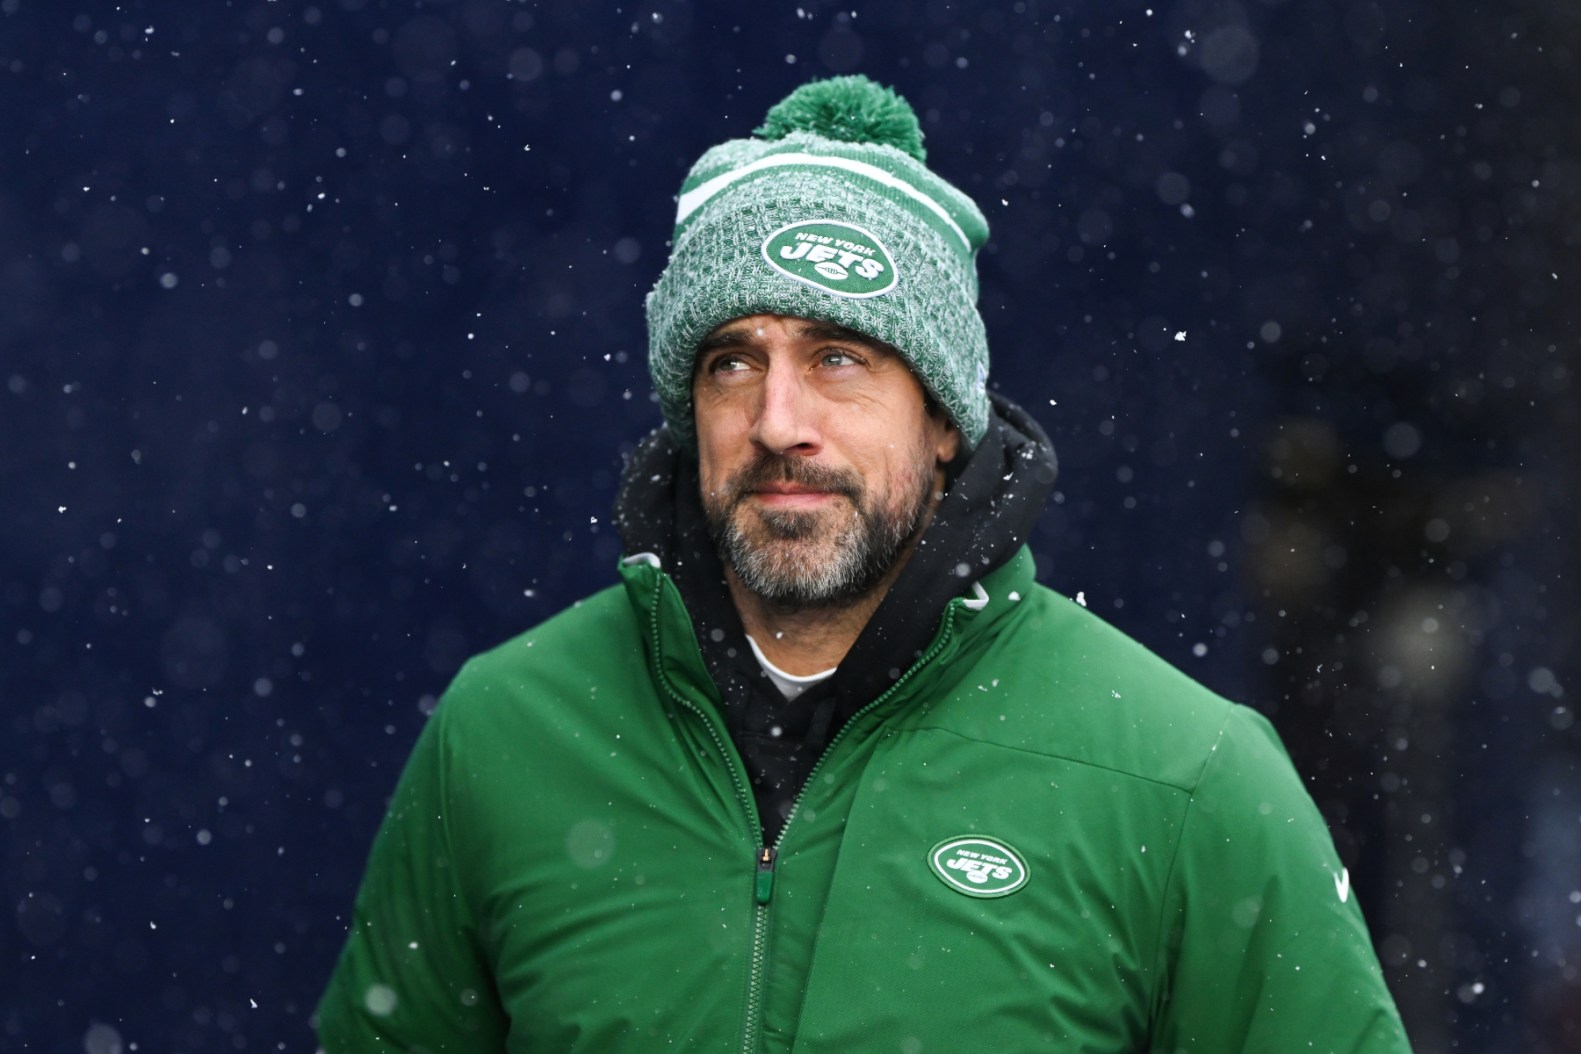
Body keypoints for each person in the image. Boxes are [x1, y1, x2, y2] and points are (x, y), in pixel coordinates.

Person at [315, 75, 1410, 1052]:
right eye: (732, 361)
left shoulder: (1183, 781)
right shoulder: (506, 735)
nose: (777, 419)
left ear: (942, 419)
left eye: (839, 357)